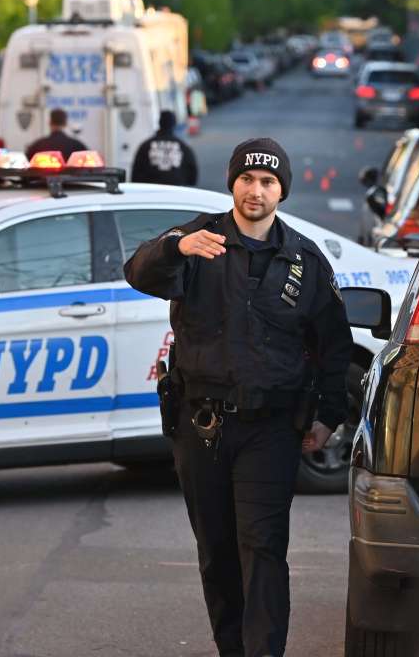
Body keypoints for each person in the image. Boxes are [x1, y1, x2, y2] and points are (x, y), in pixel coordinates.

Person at [124, 137, 353, 657]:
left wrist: (327, 417)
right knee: (217, 552)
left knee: (264, 547)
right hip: (200, 424)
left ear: (282, 191)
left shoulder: (305, 261)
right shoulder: (196, 240)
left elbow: (334, 347)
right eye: (247, 179)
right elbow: (138, 272)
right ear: (232, 183)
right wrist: (173, 248)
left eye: (268, 182)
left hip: (271, 428)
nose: (256, 190)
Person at [130, 110, 199, 186]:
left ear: (159, 123)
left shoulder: (145, 146)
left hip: (151, 192)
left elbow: (135, 175)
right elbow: (193, 176)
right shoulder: (183, 147)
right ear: (174, 124)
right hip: (177, 192)